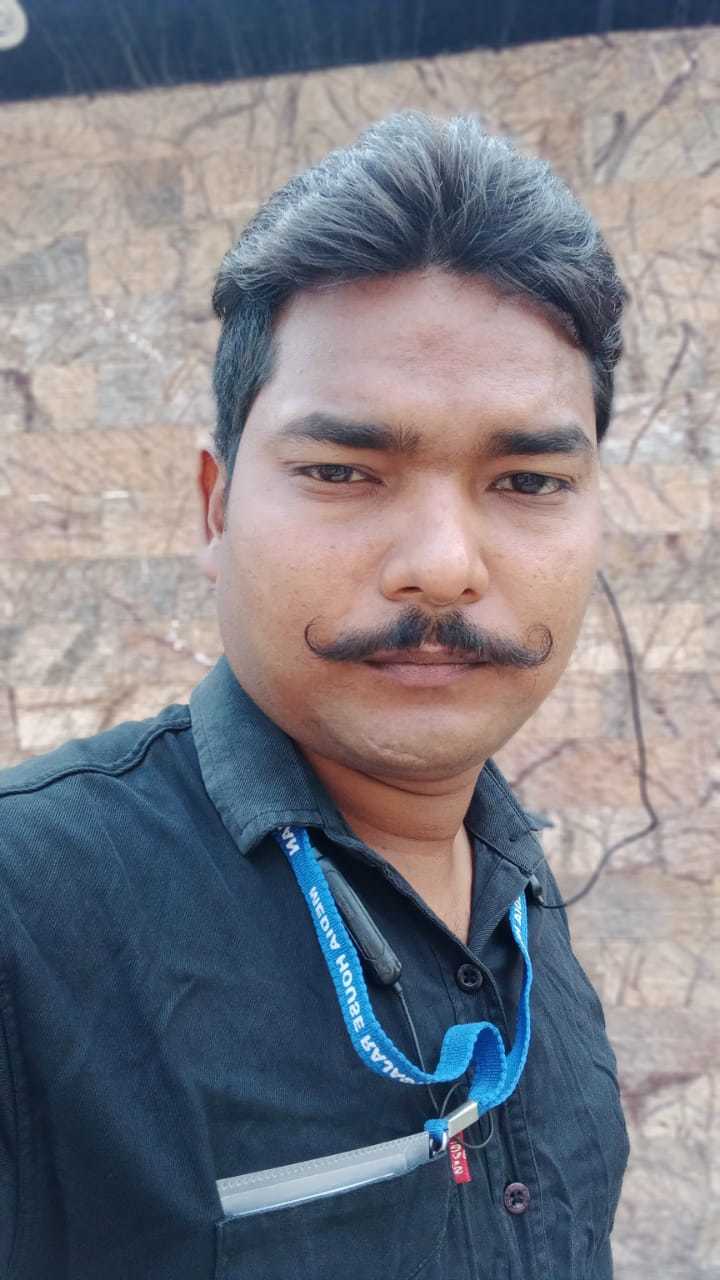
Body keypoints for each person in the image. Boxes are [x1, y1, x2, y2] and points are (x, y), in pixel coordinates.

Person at [0, 112, 630, 1279]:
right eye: (343, 470)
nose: (442, 564)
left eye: (528, 479)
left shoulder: (516, 885)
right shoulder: (29, 919)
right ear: (215, 504)